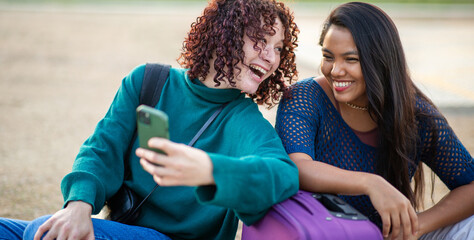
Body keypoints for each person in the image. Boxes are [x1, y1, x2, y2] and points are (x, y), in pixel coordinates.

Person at [0, 0, 300, 239]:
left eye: (278, 49)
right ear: (226, 34)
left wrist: (210, 170)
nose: (271, 58)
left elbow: (283, 175)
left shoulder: (243, 119)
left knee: (41, 232)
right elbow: (102, 149)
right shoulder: (147, 81)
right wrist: (78, 204)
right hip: (122, 226)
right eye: (260, 41)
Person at [275, 2, 473, 240]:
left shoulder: (416, 115)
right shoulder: (304, 97)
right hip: (320, 231)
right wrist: (371, 184)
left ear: (380, 61)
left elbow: (469, 185)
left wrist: (416, 225)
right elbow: (297, 167)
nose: (336, 70)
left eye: (351, 59)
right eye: (328, 57)